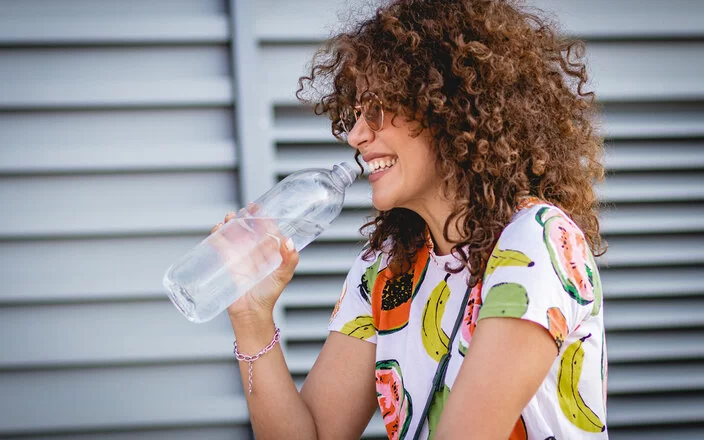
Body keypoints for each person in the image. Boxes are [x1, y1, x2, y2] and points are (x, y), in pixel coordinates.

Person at [213, 0, 607, 438]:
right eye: (357, 113)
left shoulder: (538, 242)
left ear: (448, 107)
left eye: (377, 109)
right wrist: (252, 319)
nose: (356, 135)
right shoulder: (386, 267)